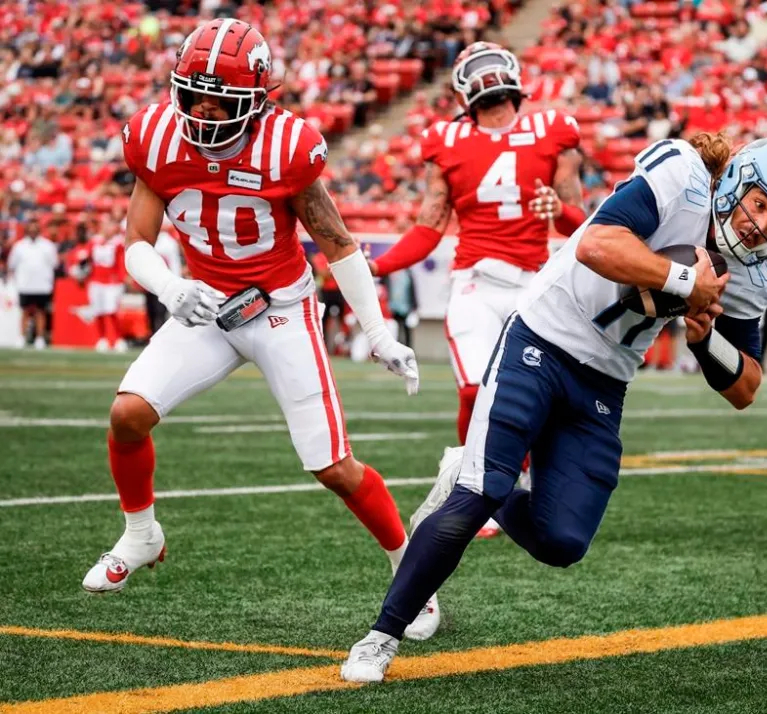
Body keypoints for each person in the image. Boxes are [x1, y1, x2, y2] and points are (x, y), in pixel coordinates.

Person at [340, 135, 767, 682]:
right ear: (738, 179)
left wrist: (704, 338)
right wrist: (685, 281)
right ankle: (381, 636)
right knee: (485, 488)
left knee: (561, 540)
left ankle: (464, 469)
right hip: (543, 337)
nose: (760, 226)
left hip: (605, 378)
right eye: (760, 204)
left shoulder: (756, 274)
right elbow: (596, 243)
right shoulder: (684, 178)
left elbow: (746, 387)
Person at [79, 18, 439, 642]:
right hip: (205, 307)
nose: (205, 110)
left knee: (332, 466)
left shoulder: (286, 146)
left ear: (258, 100)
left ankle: (413, 573)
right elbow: (136, 240)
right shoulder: (156, 136)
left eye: (221, 98)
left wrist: (377, 332)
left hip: (280, 309)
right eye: (193, 94)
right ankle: (142, 535)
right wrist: (169, 287)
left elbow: (337, 243)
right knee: (127, 415)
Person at [369, 41, 586, 538]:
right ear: (463, 87)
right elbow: (428, 226)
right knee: (474, 387)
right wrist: (378, 267)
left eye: (494, 68)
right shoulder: (445, 139)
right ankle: (479, 488)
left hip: (535, 283)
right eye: (478, 71)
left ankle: (519, 478)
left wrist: (562, 211)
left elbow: (579, 219)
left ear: (513, 73)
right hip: (476, 281)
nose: (488, 78)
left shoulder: (553, 130)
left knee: (534, 398)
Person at [7, 216, 58, 349]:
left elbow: (54, 263)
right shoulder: (20, 246)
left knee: (40, 311)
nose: (33, 231)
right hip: (25, 284)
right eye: (31, 228)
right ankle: (22, 337)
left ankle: (40, 338)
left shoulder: (47, 245)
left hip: (42, 285)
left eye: (35, 228)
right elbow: (12, 264)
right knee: (25, 311)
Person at [86, 219, 127, 352]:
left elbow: (121, 261)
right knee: (98, 310)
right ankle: (101, 339)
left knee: (112, 311)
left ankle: (118, 339)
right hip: (96, 280)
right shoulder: (94, 241)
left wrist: (122, 278)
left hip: (112, 282)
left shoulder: (118, 242)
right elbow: (88, 259)